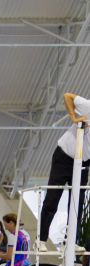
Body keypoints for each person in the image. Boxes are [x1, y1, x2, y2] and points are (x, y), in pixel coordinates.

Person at [39, 92, 90, 243]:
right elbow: (67, 96)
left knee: (76, 205)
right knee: (52, 199)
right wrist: (74, 117)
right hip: (64, 157)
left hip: (83, 163)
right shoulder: (88, 107)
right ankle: (41, 240)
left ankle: (71, 242)